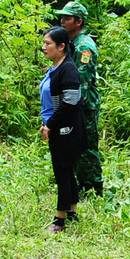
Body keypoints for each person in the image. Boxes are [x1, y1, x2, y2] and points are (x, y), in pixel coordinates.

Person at [39, 26, 86, 232]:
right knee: (65, 171)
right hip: (58, 127)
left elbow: (70, 101)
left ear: (61, 46)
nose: (43, 47)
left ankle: (60, 220)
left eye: (48, 43)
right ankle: (72, 211)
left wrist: (51, 124)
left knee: (63, 172)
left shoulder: (68, 69)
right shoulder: (56, 66)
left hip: (67, 129)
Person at [55, 1, 103, 196]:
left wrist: (71, 106)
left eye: (67, 18)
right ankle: (83, 184)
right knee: (76, 145)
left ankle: (93, 187)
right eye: (62, 17)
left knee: (87, 146)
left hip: (85, 105)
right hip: (76, 104)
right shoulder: (72, 44)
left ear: (79, 22)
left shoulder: (84, 46)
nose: (62, 21)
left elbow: (81, 80)